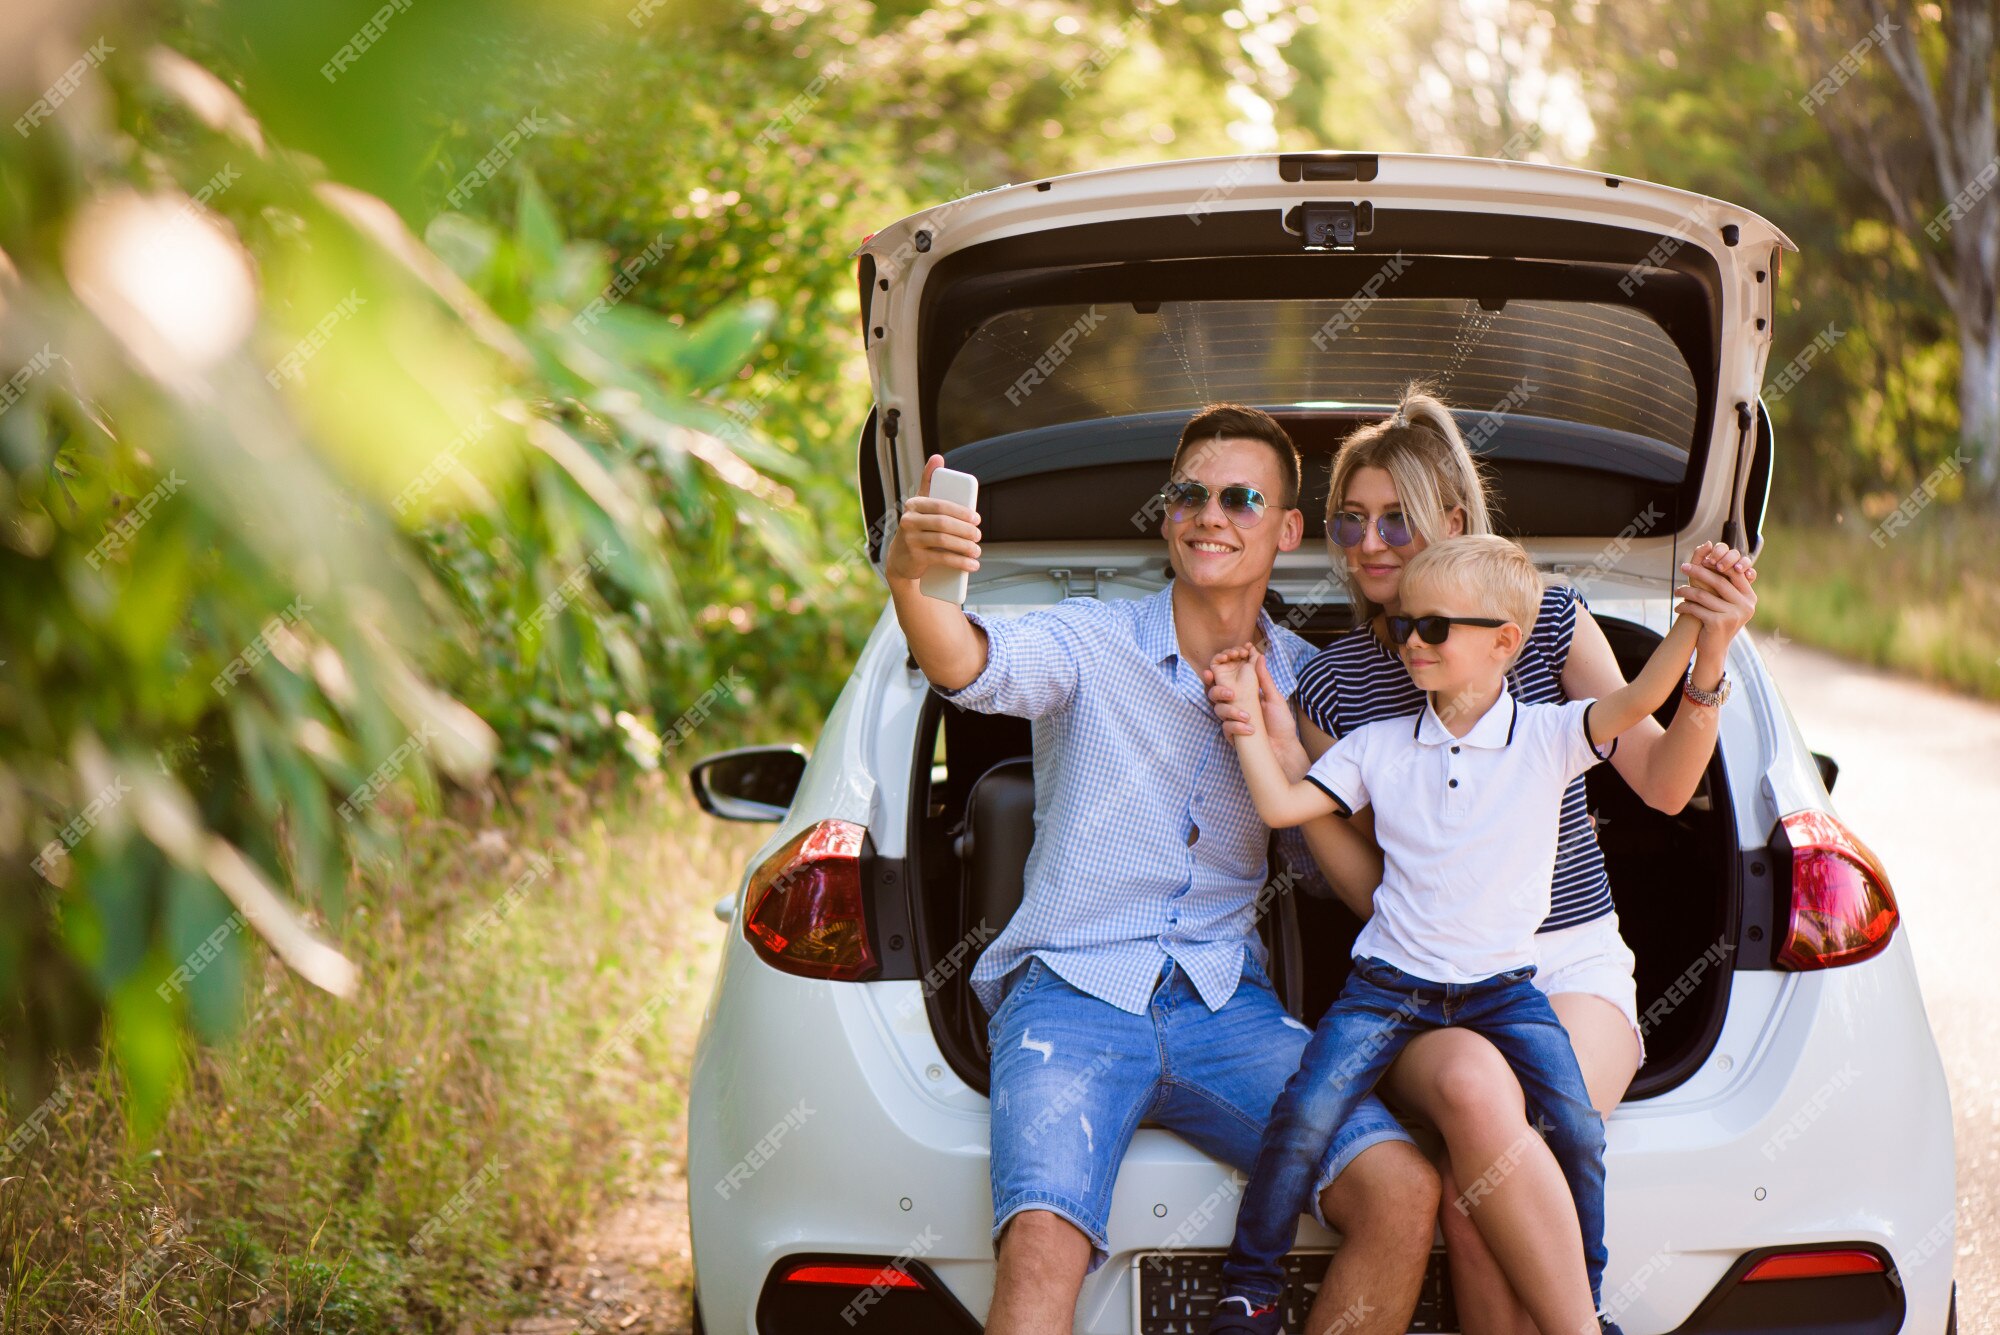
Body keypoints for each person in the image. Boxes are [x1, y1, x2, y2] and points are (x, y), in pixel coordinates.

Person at [1207, 383, 1757, 1333]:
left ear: (1452, 521)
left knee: (1484, 1196)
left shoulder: (1539, 620)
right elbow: (1370, 886)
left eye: (1396, 519)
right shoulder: (1333, 681)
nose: (1369, 543)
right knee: (1472, 1093)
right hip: (1428, 974)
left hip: (1570, 963)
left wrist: (1705, 654)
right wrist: (1290, 768)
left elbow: (1665, 782)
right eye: (1349, 522)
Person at [884, 403, 1441, 1335]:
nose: (1208, 513)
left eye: (1240, 496)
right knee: (1039, 1247)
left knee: (1401, 1190)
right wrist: (914, 581)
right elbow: (967, 659)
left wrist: (1280, 744)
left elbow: (1352, 869)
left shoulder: (1307, 685)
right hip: (1070, 993)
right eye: (1189, 492)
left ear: (1288, 530)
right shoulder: (1092, 641)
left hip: (1228, 1004)